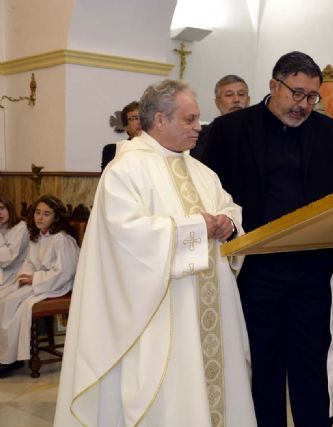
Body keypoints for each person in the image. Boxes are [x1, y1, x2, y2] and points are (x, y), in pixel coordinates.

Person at [54, 80, 256, 427]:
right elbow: (126, 237)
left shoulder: (202, 171)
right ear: (160, 120)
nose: (199, 127)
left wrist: (228, 224)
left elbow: (229, 208)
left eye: (198, 119)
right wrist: (196, 228)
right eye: (190, 120)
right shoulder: (125, 170)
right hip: (161, 315)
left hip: (210, 311)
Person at [202, 51, 333, 427]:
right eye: (298, 94)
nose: (304, 105)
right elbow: (206, 190)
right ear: (274, 86)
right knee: (264, 365)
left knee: (311, 362)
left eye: (312, 97)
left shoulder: (326, 132)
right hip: (256, 268)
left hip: (311, 268)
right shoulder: (230, 131)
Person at [0, 195, 79, 378]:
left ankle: (10, 360)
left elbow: (64, 272)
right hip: (39, 281)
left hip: (57, 285)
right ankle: (7, 355)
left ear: (55, 217)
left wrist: (34, 278)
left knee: (12, 304)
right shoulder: (38, 236)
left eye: (46, 214)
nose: (40, 218)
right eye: (37, 212)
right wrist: (24, 276)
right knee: (5, 299)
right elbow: (29, 262)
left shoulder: (61, 239)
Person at [191, 74, 251, 160]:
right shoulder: (202, 135)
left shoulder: (261, 133)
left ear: (248, 101)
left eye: (241, 94)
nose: (236, 99)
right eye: (229, 95)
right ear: (217, 102)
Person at [0, 195, 30, 298]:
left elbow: (6, 260)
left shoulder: (21, 228)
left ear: (9, 208)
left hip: (13, 275)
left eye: (1, 208)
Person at [101, 101, 143, 170]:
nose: (139, 122)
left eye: (142, 117)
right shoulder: (114, 151)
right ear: (126, 126)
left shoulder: (160, 149)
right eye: (134, 118)